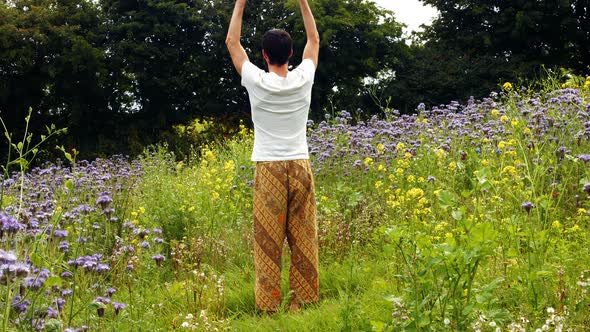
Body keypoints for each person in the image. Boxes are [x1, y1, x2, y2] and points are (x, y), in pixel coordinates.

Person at [225, 0, 320, 313]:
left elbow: (232, 42)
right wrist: (303, 2)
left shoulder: (256, 80)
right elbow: (314, 40)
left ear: (264, 55)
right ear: (290, 54)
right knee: (304, 237)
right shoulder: (303, 77)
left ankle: (268, 307)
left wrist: (240, 3)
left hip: (269, 169)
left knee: (268, 241)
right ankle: (304, 302)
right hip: (301, 165)